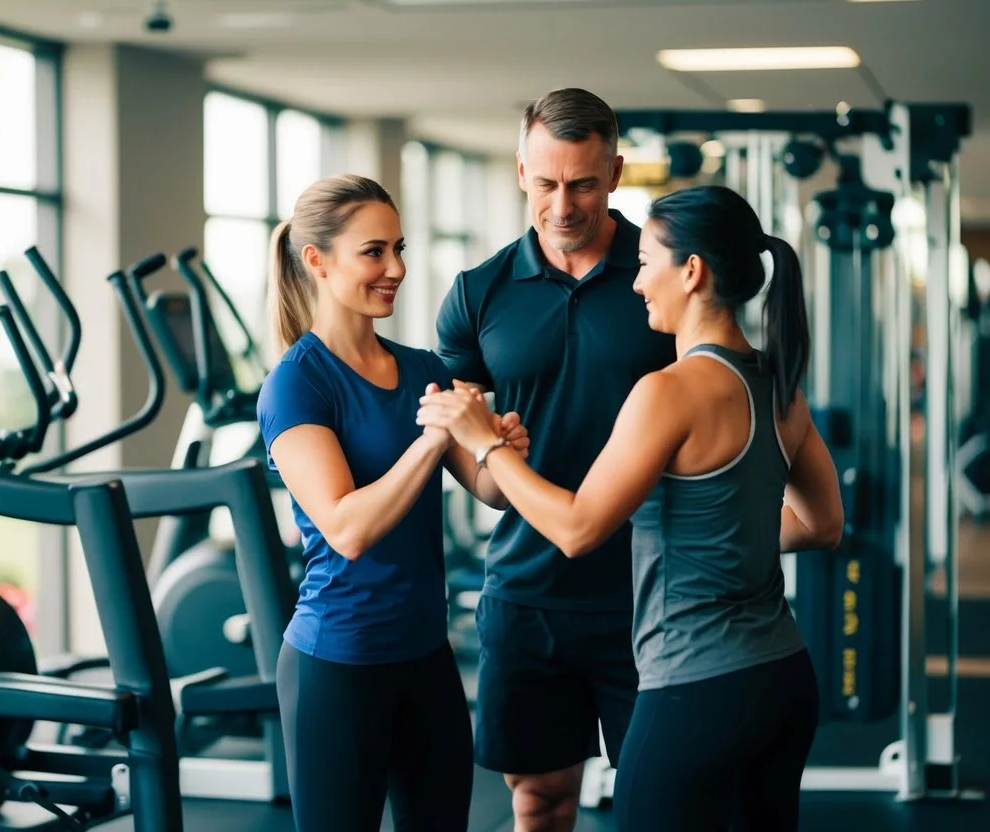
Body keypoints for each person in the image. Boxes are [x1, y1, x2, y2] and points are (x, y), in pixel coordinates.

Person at [418, 183, 845, 831]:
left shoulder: (668, 391)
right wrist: (720, 536)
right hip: (782, 677)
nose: (637, 282)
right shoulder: (775, 380)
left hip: (696, 686)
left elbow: (577, 528)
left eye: (646, 262)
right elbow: (821, 524)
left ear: (692, 272)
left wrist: (486, 447)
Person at [255, 173, 530, 831]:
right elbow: (346, 528)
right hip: (338, 664)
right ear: (316, 260)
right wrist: (435, 437)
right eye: (373, 252)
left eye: (398, 248)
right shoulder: (295, 385)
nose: (396, 269)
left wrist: (501, 449)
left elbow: (489, 492)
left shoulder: (421, 369)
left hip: (426, 657)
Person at [433, 87, 676, 829]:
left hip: (653, 595)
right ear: (519, 173)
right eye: (545, 184)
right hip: (526, 593)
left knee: (660, 805)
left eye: (582, 184)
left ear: (615, 173)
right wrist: (493, 474)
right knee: (538, 802)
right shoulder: (477, 294)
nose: (562, 204)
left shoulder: (663, 277)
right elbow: (461, 440)